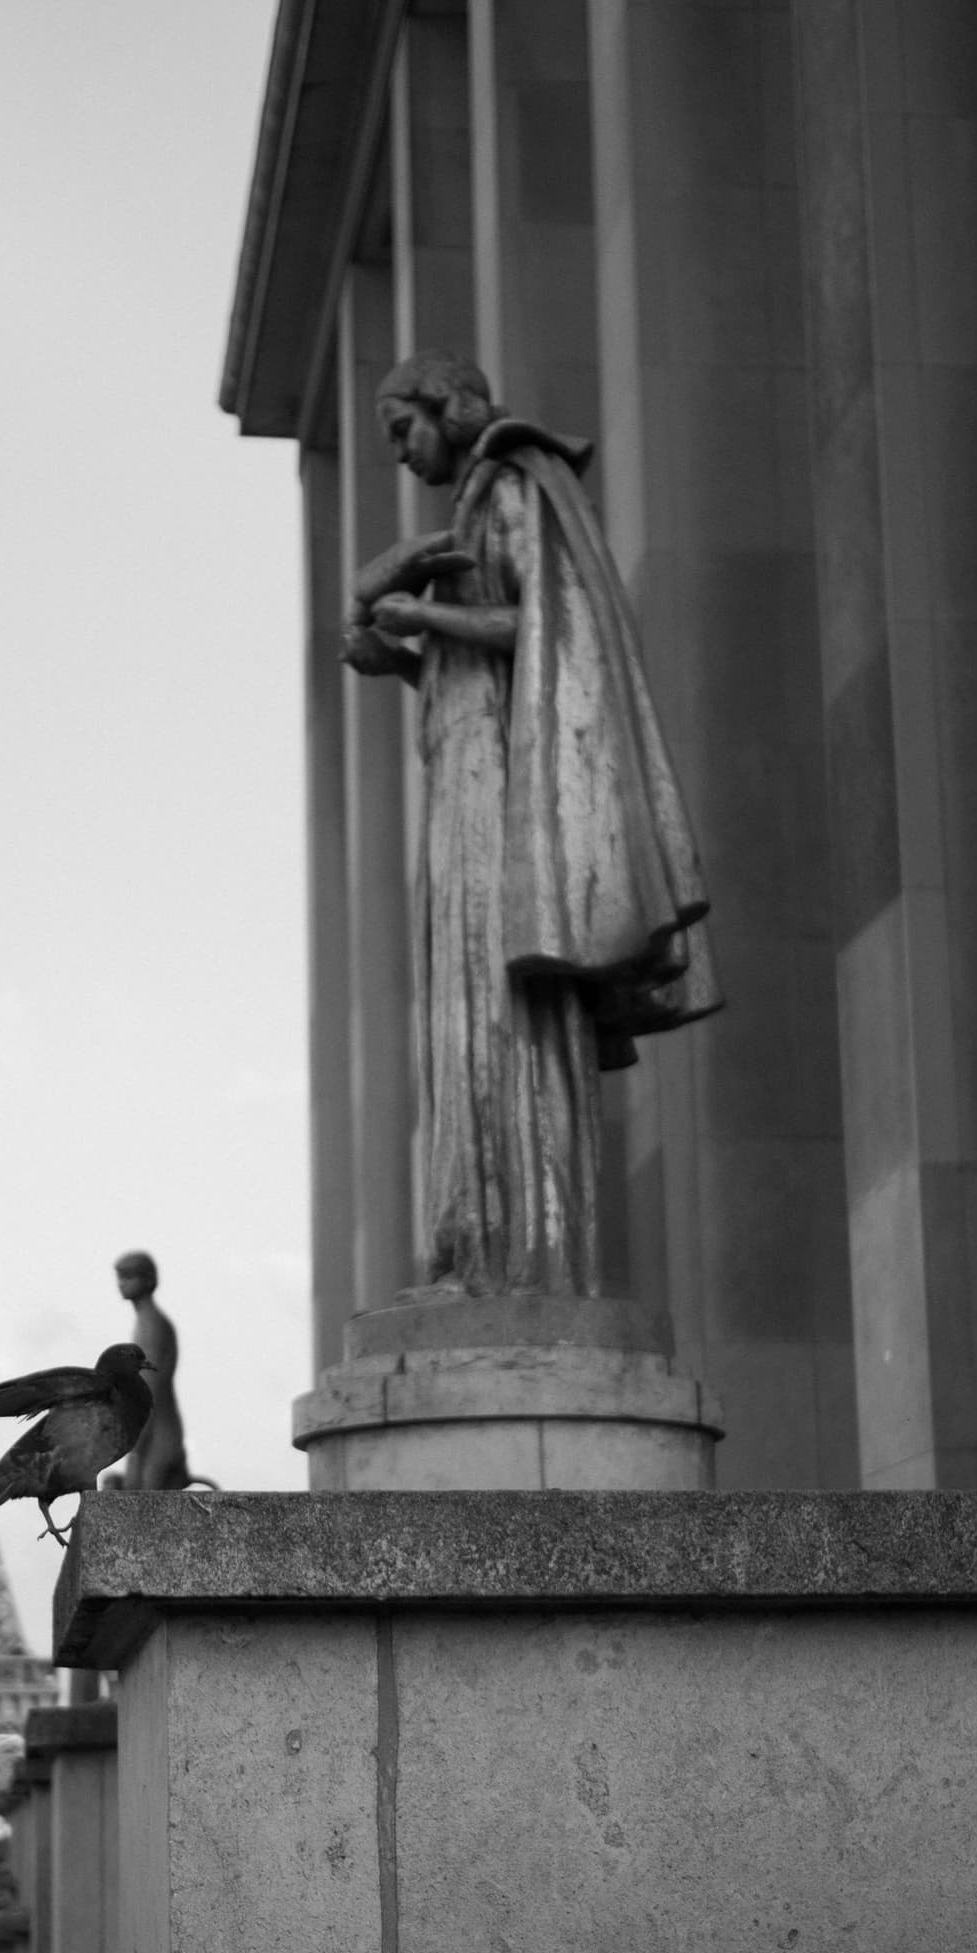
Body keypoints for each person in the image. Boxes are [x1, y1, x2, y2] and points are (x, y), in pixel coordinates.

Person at [345, 349, 720, 1294]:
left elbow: (543, 626)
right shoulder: (476, 501)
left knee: (498, 1005)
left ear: (448, 408)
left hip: (503, 790)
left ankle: (518, 1253)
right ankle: (474, 1242)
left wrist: (418, 617)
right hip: (469, 779)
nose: (400, 453)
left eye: (403, 429)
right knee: (465, 1011)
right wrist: (393, 642)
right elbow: (486, 658)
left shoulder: (513, 482)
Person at [114, 1251, 194, 1487]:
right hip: (154, 1436)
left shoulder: (151, 1325)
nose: (122, 1283)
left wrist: (135, 1451)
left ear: (148, 1279)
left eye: (129, 1276)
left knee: (144, 1513)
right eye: (120, 1276)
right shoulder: (145, 1321)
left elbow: (149, 1390)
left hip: (157, 1440)